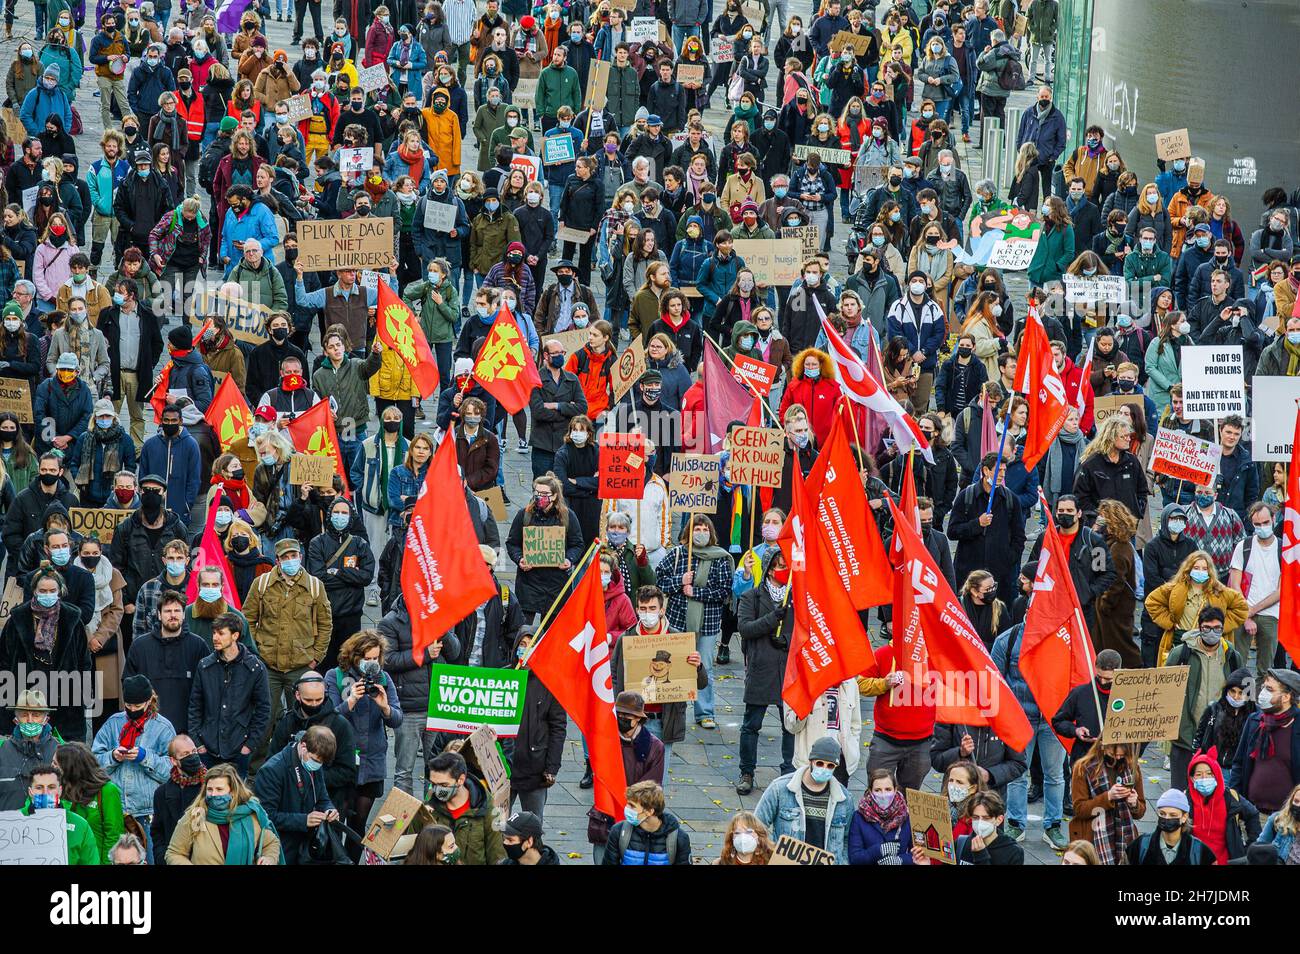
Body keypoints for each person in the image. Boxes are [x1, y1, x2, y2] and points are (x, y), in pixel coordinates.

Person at [243, 538, 333, 741]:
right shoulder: (262, 584)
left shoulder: (315, 586)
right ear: (277, 560)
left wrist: (315, 658)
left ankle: (301, 762)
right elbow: (247, 618)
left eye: (294, 556)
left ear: (300, 557)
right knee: (263, 718)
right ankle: (257, 769)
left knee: (303, 719)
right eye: (285, 557)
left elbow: (325, 624)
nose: (290, 560)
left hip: (301, 665)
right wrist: (257, 650)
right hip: (268, 665)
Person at [655, 515, 734, 730]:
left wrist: (696, 592)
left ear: (711, 532)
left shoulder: (720, 557)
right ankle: (670, 711)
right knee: (672, 665)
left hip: (707, 624)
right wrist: (679, 581)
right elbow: (659, 580)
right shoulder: (678, 554)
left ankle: (705, 712)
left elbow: (724, 590)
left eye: (704, 528)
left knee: (704, 666)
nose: (701, 532)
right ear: (689, 532)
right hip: (678, 620)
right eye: (696, 528)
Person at [90, 674, 175, 862]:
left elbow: (173, 770)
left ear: (149, 701)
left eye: (138, 706)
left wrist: (145, 757)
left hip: (147, 812)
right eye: (128, 706)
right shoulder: (113, 723)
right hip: (115, 811)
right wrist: (113, 756)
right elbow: (92, 763)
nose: (133, 710)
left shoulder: (163, 728)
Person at [0, 567, 91, 743]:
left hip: (66, 700)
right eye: (43, 591)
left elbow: (84, 663)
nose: (47, 594)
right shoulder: (17, 620)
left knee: (65, 760)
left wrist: (83, 696)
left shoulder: (72, 619)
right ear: (34, 591)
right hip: (25, 699)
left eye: (52, 591)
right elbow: (3, 661)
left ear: (60, 592)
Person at [734, 549, 795, 795]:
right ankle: (747, 771)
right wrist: (772, 619)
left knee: (790, 725)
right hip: (761, 669)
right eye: (781, 566)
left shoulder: (796, 597)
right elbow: (745, 628)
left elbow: (806, 631)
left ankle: (789, 771)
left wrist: (788, 640)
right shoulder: (752, 596)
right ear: (769, 569)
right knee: (751, 725)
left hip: (787, 672)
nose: (785, 571)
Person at [1163, 606, 1243, 789]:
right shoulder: (1181, 654)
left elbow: (1241, 693)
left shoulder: (1231, 656)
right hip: (1185, 735)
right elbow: (1165, 691)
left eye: (1217, 628)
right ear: (1199, 628)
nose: (1212, 633)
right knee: (1180, 793)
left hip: (1219, 738)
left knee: (1216, 795)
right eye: (1207, 628)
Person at [755, 736, 853, 864]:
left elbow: (847, 840)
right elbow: (757, 825)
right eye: (819, 763)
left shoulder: (844, 799)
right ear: (810, 761)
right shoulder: (779, 789)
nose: (824, 768)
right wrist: (774, 853)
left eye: (830, 766)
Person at [252, 724, 339, 865]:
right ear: (303, 746)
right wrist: (304, 820)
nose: (318, 765)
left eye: (322, 762)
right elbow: (265, 816)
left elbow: (322, 797)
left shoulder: (312, 760)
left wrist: (329, 809)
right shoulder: (272, 770)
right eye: (316, 760)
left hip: (305, 847)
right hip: (280, 846)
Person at [165, 762, 281, 865]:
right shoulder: (195, 816)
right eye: (210, 789)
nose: (213, 794)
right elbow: (174, 853)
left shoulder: (251, 815)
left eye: (219, 789)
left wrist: (269, 858)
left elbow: (271, 843)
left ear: (233, 791)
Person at [1145, 551, 1248, 666]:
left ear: (1209, 571)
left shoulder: (1219, 591)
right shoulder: (1174, 589)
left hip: (1209, 645)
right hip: (1181, 642)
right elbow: (1152, 602)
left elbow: (1241, 608)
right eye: (1196, 567)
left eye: (1204, 568)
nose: (1200, 571)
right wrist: (1169, 622)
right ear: (1189, 569)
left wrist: (1218, 628)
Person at [1229, 669, 1300, 818]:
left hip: (1288, 818)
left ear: (1286, 697)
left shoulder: (1297, 725)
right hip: (1253, 813)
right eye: (1263, 688)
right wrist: (1234, 802)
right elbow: (1239, 764)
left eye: (1270, 689)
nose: (1263, 694)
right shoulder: (1255, 721)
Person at [1069, 740, 1146, 863]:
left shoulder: (1132, 766)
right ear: (1103, 746)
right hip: (1094, 836)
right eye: (1114, 755)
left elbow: (1140, 812)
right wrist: (1108, 797)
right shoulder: (1083, 768)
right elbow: (1079, 809)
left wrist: (1134, 803)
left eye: (1122, 755)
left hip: (1125, 836)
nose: (1118, 758)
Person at [424, 749, 505, 865]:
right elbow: (413, 847)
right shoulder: (429, 804)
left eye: (444, 785)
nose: (438, 790)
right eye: (434, 784)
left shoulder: (489, 809)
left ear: (460, 780)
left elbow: (497, 854)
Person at [53, 741, 125, 865]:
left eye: (55, 764)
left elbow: (114, 835)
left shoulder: (107, 791)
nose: (51, 767)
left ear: (70, 768)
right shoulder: (55, 790)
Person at [1186, 748, 1261, 864]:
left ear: (1216, 775)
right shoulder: (1185, 799)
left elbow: (1253, 814)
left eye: (1209, 774)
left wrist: (1249, 848)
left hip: (1226, 861)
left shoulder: (1230, 796)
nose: (1204, 778)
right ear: (1192, 778)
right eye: (1199, 774)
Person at [22, 763, 100, 864]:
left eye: (51, 787)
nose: (46, 793)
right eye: (39, 787)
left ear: (60, 790)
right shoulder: (12, 822)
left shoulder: (80, 825)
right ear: (30, 791)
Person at [602, 778, 691, 865]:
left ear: (649, 812)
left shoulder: (678, 838)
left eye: (632, 806)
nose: (626, 808)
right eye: (627, 804)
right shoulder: (618, 831)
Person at [0, 690, 62, 811]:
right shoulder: (2, 749)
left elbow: (71, 795)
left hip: (48, 826)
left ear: (46, 720)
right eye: (24, 715)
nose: (30, 720)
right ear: (16, 720)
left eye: (36, 715)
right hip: (7, 827)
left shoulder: (61, 750)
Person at [1124, 788, 1216, 865]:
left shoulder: (1199, 851)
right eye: (1162, 814)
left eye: (1173, 815)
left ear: (1184, 817)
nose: (1166, 818)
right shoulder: (1140, 845)